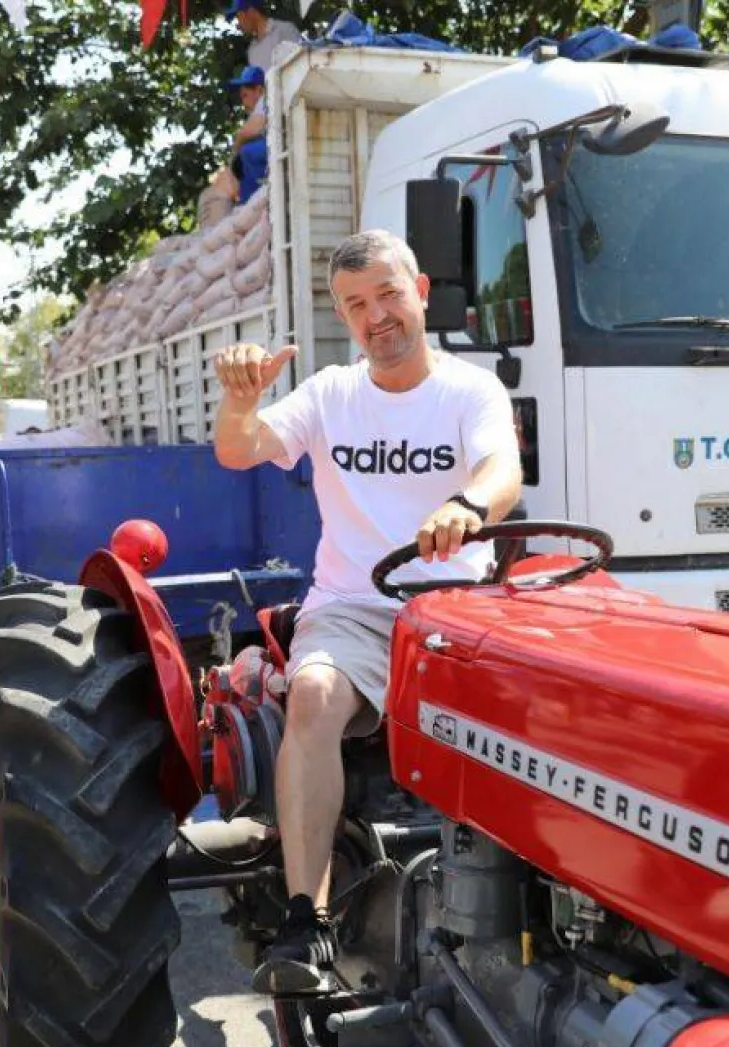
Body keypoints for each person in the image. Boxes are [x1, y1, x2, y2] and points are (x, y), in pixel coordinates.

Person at [212, 229, 523, 993]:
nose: (376, 315)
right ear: (343, 316)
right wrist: (241, 399)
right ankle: (305, 919)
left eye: (387, 294)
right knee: (313, 693)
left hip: (453, 610)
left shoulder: (470, 391)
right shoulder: (331, 394)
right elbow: (239, 449)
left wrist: (468, 505)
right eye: (356, 304)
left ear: (421, 292)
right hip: (352, 607)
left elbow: (502, 468)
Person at [227, 66, 270, 205]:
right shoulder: (260, 105)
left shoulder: (265, 100)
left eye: (245, 94)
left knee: (247, 152)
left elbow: (248, 131)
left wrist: (233, 157)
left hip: (279, 147)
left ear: (259, 90)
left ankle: (250, 202)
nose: (242, 99)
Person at [228, 0, 300, 74]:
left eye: (239, 17)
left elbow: (300, 65)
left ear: (251, 12)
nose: (239, 24)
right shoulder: (252, 51)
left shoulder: (284, 29)